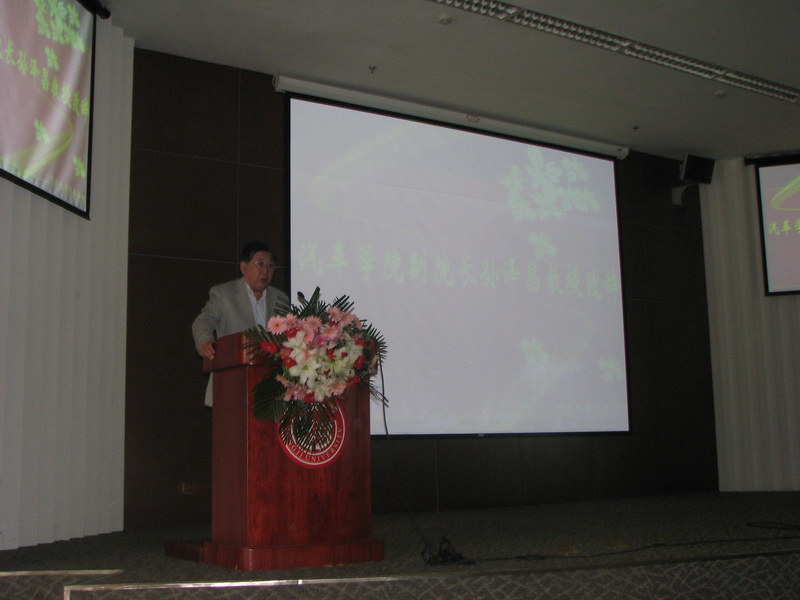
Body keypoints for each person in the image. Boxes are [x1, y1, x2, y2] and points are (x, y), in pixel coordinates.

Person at [192, 241, 289, 405]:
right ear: (244, 267)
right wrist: (204, 341)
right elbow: (204, 320)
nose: (265, 270)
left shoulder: (281, 299)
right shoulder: (223, 294)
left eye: (270, 266)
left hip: (271, 386)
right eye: (260, 264)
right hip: (231, 383)